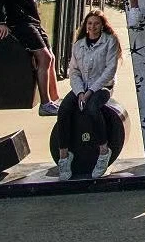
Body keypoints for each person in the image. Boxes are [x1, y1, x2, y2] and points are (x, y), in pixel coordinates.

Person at [55, 10, 121, 180]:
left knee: (92, 109)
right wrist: (80, 92)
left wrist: (91, 91)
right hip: (82, 88)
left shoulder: (110, 42)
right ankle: (64, 155)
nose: (93, 27)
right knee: (63, 110)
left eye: (97, 23)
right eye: (90, 23)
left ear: (102, 25)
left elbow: (110, 70)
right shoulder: (79, 45)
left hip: (102, 87)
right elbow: (74, 71)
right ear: (85, 26)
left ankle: (103, 151)